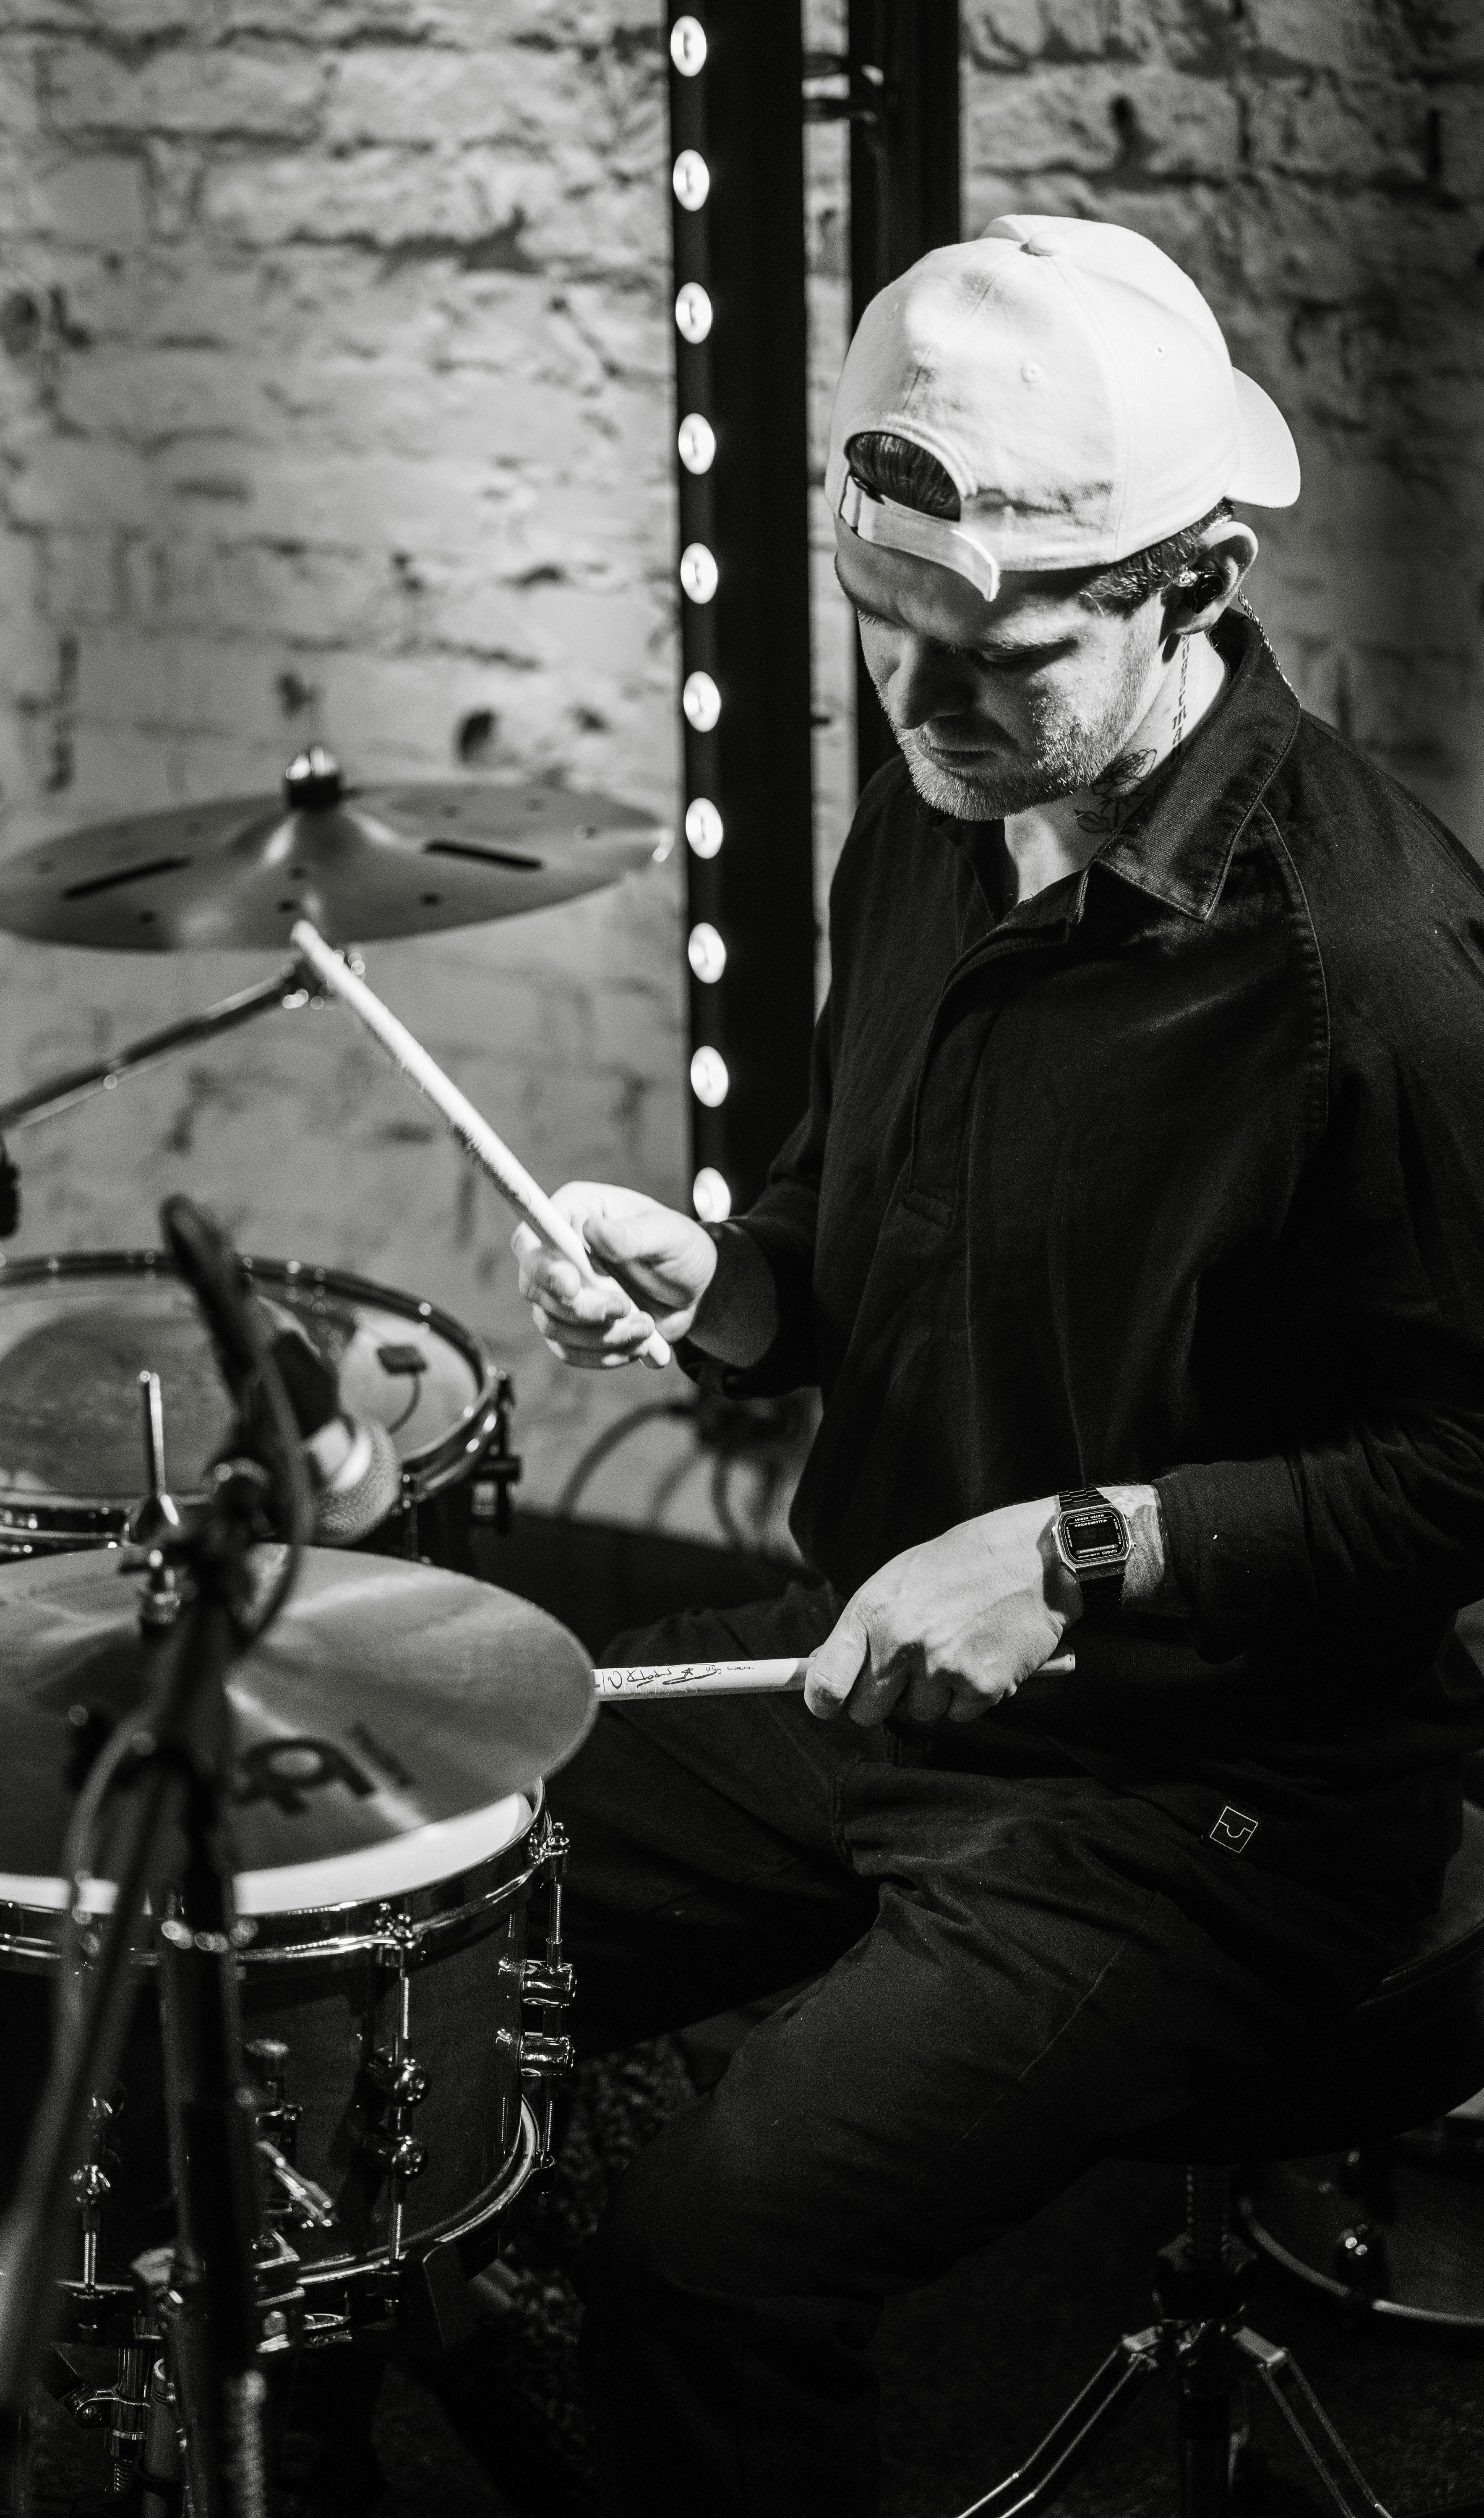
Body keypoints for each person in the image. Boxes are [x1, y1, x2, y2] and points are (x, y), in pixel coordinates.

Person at [511, 214, 1484, 2513]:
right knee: (427, 1887)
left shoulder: (1381, 966)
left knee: (717, 2266)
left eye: (1010, 658)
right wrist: (720, 1277)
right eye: (893, 641)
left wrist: (1079, 1551)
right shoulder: (939, 811)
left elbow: (1469, 1465)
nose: (936, 709)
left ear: (1194, 579)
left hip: (1214, 1801)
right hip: (863, 1686)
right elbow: (858, 1230)